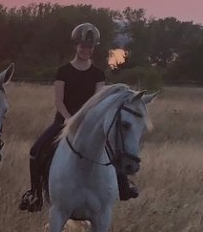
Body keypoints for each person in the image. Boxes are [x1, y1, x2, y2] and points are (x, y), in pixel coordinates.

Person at [20, 22, 136, 212]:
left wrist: (87, 121)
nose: (86, 50)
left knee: (114, 149)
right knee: (35, 151)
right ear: (76, 46)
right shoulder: (63, 71)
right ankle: (35, 194)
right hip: (63, 121)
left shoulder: (97, 73)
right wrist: (68, 119)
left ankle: (124, 187)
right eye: (83, 46)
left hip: (89, 125)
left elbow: (97, 100)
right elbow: (59, 100)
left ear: (93, 49)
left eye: (90, 47)